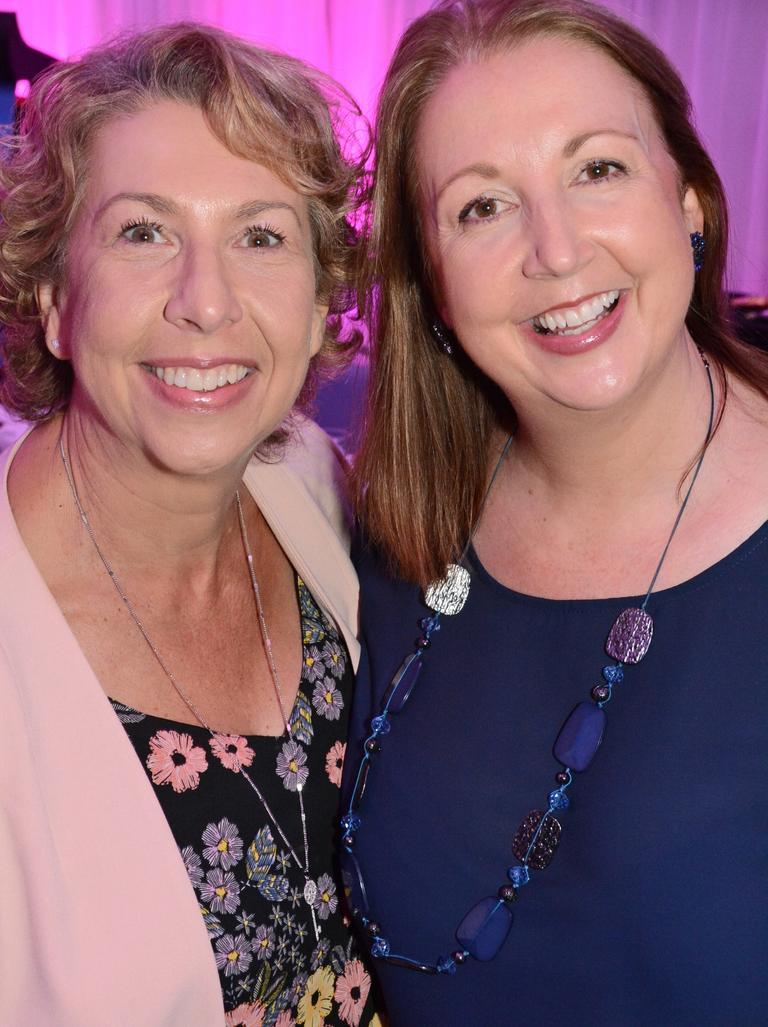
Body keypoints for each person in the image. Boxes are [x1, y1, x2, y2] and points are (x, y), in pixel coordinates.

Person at [344, 1, 768, 1024]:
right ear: (433, 287)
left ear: (693, 199)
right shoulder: (388, 522)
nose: (557, 248)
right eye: (482, 207)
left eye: (598, 169)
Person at [0, 24, 380, 1027]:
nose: (206, 303)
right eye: (143, 232)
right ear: (53, 294)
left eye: (260, 236)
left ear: (317, 308)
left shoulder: (315, 486)